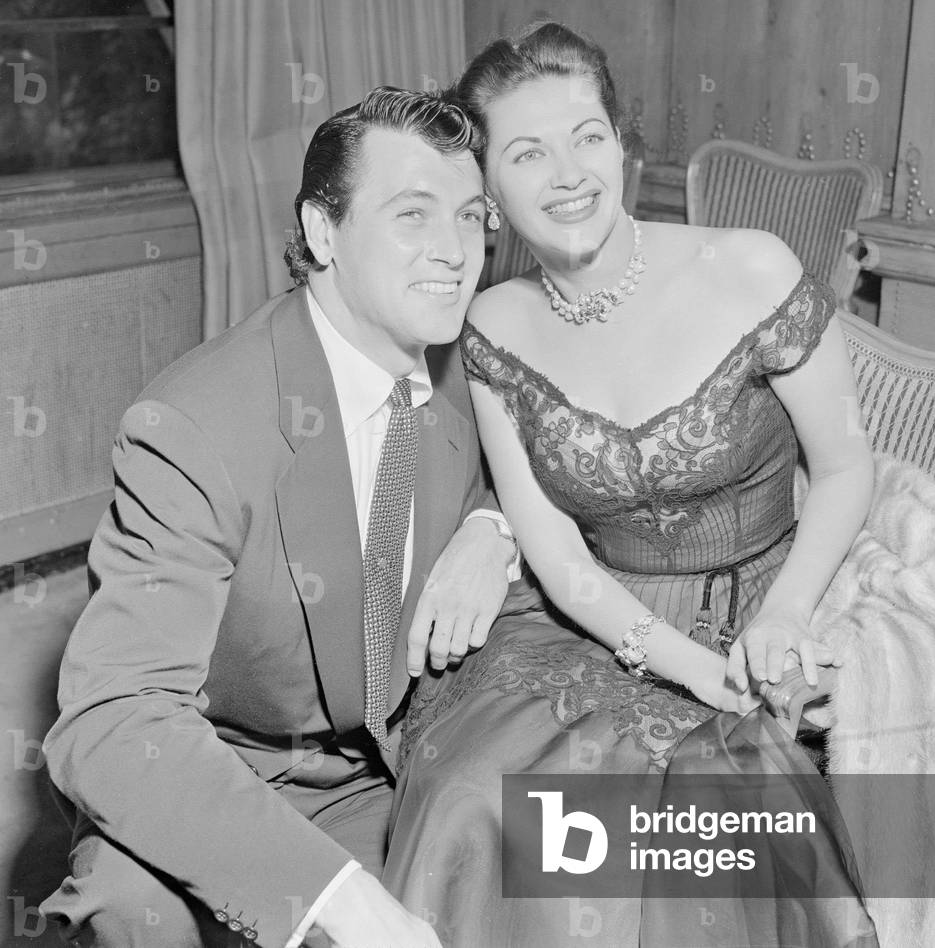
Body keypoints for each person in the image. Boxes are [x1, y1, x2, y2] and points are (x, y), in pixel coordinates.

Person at [382, 22, 879, 947]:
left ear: (624, 146)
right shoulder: (490, 325)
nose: (569, 174)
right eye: (528, 154)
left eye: (588, 138)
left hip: (773, 592)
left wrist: (785, 616)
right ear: (488, 192)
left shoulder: (751, 267)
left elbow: (848, 466)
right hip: (604, 616)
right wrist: (682, 664)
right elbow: (555, 548)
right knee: (474, 798)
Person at [39, 87, 519, 948]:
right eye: (413, 214)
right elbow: (110, 719)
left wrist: (493, 530)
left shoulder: (462, 360)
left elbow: (520, 477)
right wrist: (337, 898)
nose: (456, 250)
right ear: (323, 232)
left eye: (472, 214)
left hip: (385, 763)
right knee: (128, 915)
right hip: (217, 764)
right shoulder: (195, 427)